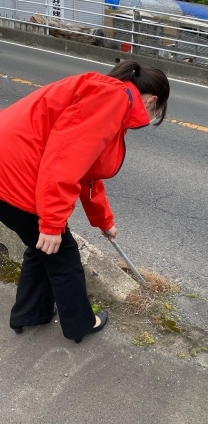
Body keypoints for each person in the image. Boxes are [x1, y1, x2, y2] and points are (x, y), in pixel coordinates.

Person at [0, 61, 170, 343]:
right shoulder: (112, 100)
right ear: (152, 100)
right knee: (62, 253)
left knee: (41, 247)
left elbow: (88, 173)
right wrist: (52, 223)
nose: (150, 116)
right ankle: (81, 324)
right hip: (14, 177)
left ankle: (30, 313)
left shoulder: (109, 94)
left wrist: (104, 221)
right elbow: (64, 160)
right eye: (155, 112)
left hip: (11, 171)